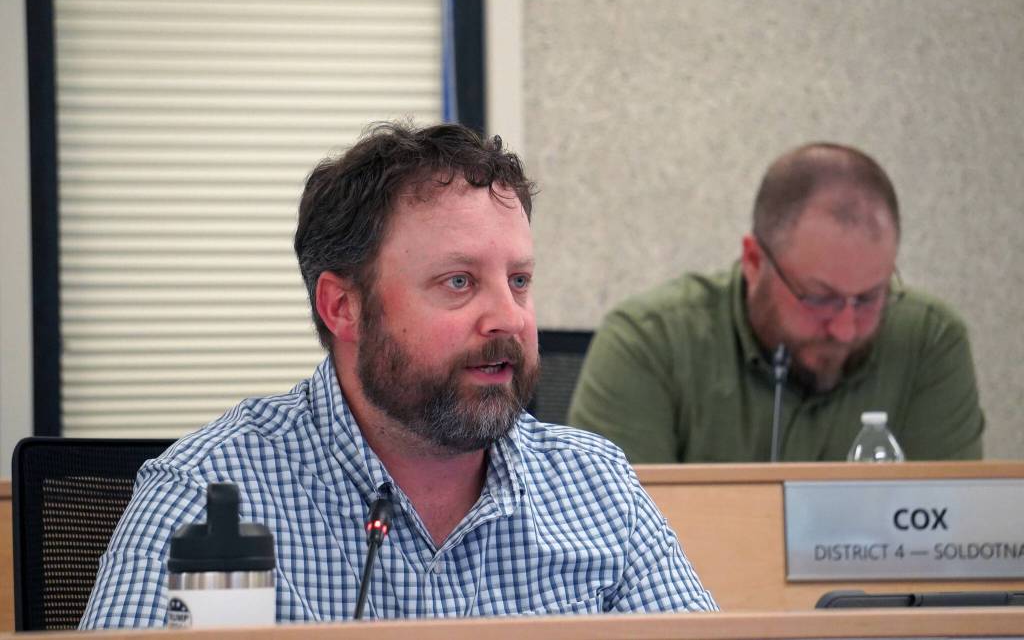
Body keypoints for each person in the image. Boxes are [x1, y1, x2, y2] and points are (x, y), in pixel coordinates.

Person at [80, 123, 716, 628]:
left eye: (519, 280)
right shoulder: (209, 498)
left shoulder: (594, 486)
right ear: (343, 308)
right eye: (459, 282)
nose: (509, 317)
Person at [568, 143, 985, 463]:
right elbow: (613, 540)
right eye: (820, 298)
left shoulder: (930, 342)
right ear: (754, 261)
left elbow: (948, 536)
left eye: (869, 297)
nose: (845, 329)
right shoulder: (648, 344)